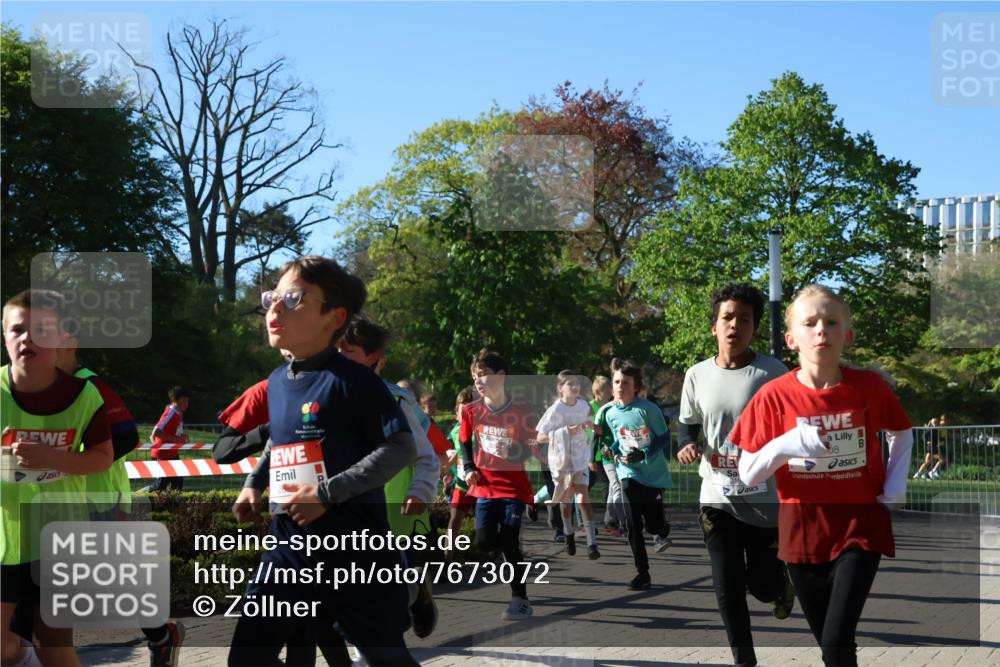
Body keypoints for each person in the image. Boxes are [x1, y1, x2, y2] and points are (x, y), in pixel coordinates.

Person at [226, 256, 418, 667]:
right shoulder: (277, 381)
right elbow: (281, 441)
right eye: (272, 298)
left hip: (353, 553)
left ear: (335, 317)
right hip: (288, 549)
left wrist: (328, 494)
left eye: (292, 298)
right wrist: (254, 484)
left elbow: (401, 447)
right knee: (246, 658)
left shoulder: (354, 381)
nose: (274, 309)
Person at [732, 284, 914, 667]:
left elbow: (902, 431)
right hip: (802, 532)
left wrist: (895, 484)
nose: (821, 330)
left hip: (860, 526)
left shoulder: (868, 386)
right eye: (810, 323)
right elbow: (748, 472)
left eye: (831, 322)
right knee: (832, 646)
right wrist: (788, 443)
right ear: (791, 339)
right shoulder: (773, 396)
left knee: (836, 638)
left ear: (846, 335)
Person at [676, 283, 795, 667]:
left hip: (764, 501)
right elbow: (687, 425)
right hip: (717, 498)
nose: (735, 325)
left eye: (744, 319)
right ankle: (745, 662)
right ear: (714, 326)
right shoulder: (696, 375)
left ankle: (779, 586)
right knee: (726, 588)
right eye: (727, 317)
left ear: (754, 329)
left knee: (761, 585)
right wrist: (686, 444)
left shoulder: (774, 372)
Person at [1, 289, 113, 667]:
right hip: (6, 540)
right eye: (17, 329)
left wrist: (53, 458)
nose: (27, 338)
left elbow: (103, 458)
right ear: (4, 336)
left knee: (55, 645)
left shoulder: (85, 396)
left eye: (41, 330)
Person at [460, 348, 539, 620]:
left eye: (483, 375)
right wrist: (469, 467)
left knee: (509, 539)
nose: (478, 381)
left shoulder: (520, 410)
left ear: (501, 376)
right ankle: (505, 554)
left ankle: (520, 599)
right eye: (474, 376)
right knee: (483, 543)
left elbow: (531, 447)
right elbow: (463, 441)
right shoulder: (472, 411)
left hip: (513, 488)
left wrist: (513, 452)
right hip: (485, 487)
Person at [597, 358, 673, 590]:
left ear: (636, 386)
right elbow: (618, 438)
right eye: (617, 382)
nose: (620, 386)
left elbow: (664, 437)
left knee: (654, 526)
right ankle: (643, 573)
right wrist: (610, 449)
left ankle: (662, 528)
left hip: (653, 474)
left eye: (626, 382)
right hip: (628, 471)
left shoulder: (647, 409)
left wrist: (644, 453)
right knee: (631, 523)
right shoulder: (610, 412)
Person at [536, 371, 600, 559]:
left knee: (582, 498)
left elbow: (587, 420)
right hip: (562, 461)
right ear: (560, 388)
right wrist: (564, 432)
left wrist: (590, 425)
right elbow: (539, 437)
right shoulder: (555, 410)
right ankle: (568, 533)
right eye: (569, 384)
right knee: (566, 504)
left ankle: (592, 544)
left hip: (580, 458)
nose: (574, 387)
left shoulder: (583, 405)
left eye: (576, 383)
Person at [445, 387, 477, 561]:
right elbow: (451, 452)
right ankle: (447, 559)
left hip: (482, 484)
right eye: (461, 410)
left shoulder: (480, 430)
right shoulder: (455, 431)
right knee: (454, 521)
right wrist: (444, 471)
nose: (464, 415)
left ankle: (490, 551)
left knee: (485, 524)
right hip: (461, 484)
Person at [589, 375, 620, 535]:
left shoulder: (613, 406)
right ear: (597, 391)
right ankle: (608, 521)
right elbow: (594, 435)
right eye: (605, 390)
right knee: (611, 486)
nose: (609, 392)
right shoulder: (594, 408)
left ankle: (612, 521)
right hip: (599, 454)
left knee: (612, 486)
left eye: (610, 389)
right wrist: (591, 458)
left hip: (613, 453)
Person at [149, 386, 190, 492]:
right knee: (160, 485)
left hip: (172, 453)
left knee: (178, 482)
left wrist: (183, 436)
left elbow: (175, 431)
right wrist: (177, 440)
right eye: (183, 401)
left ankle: (172, 506)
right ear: (174, 400)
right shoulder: (170, 412)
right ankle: (142, 497)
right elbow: (156, 432)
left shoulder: (178, 412)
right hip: (162, 454)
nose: (186, 404)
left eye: (187, 401)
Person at [914, 414, 948, 480]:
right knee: (942, 460)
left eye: (936, 422)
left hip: (934, 447)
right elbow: (923, 437)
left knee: (928, 462)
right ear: (931, 423)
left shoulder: (936, 430)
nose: (935, 424)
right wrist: (927, 441)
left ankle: (919, 474)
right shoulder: (929, 430)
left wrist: (943, 439)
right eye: (934, 422)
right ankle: (931, 472)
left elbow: (938, 438)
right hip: (931, 448)